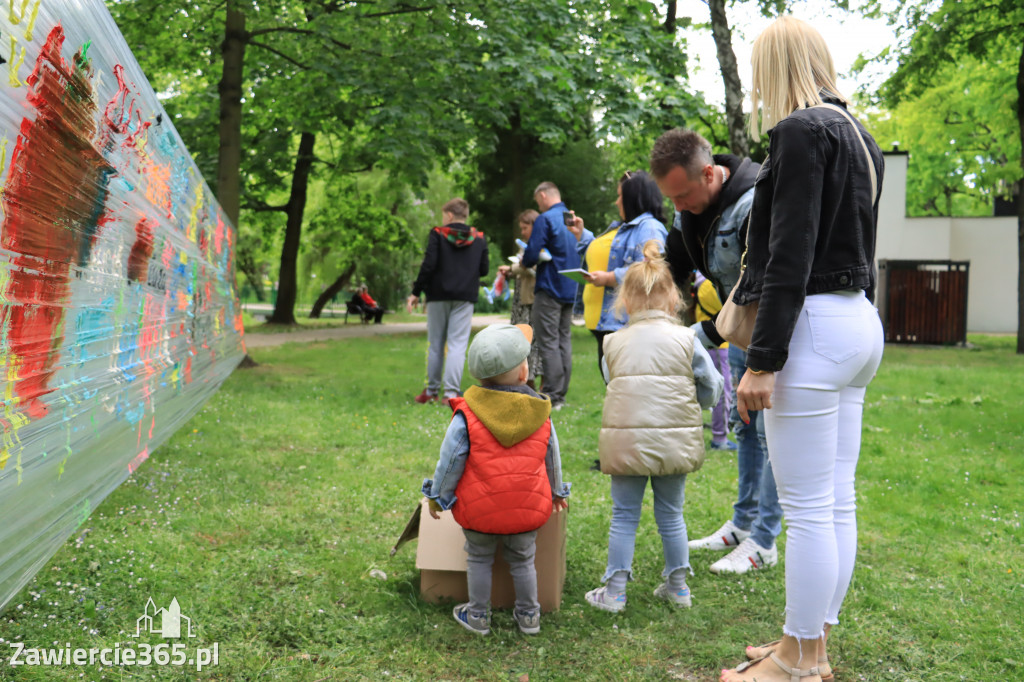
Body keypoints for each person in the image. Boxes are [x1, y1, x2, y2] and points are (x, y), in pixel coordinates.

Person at [717, 17, 884, 682]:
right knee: (835, 500)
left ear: (774, 67)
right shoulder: (857, 132)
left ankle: (796, 659)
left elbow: (789, 251)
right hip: (856, 321)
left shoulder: (800, 132)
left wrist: (763, 359)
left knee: (810, 507)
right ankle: (811, 648)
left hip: (812, 326)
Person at [650, 127, 783, 576]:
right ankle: (743, 525)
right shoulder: (687, 205)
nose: (680, 207)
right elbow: (672, 264)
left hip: (769, 334)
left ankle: (765, 540)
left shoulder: (755, 203)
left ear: (709, 173)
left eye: (684, 196)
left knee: (771, 436)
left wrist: (701, 336)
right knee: (746, 429)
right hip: (741, 331)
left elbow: (759, 288)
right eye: (673, 200)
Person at [584, 241, 723, 613]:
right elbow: (711, 386)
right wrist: (697, 404)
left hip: (626, 440)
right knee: (671, 513)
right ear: (672, 300)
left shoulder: (611, 343)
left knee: (624, 515)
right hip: (674, 442)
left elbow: (612, 380)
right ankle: (678, 587)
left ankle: (614, 592)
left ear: (624, 302)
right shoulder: (688, 339)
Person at [422, 323, 571, 636]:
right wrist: (557, 492)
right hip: (528, 510)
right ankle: (529, 617)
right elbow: (552, 459)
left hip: (478, 511)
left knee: (478, 558)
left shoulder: (467, 414)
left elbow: (450, 462)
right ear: (522, 373)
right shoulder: (540, 412)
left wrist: (438, 497)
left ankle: (478, 616)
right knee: (523, 560)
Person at [567, 170, 668, 374]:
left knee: (625, 386)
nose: (616, 202)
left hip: (623, 324)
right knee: (615, 385)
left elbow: (651, 269)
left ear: (633, 198)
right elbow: (604, 255)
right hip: (607, 324)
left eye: (620, 195)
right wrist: (582, 235)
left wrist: (610, 278)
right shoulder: (624, 227)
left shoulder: (649, 228)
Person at [406, 198, 489, 406]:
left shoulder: (437, 234)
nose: (442, 220)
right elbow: (484, 269)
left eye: (444, 215)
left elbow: (428, 265)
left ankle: (431, 390)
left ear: (450, 215)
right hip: (464, 298)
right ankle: (451, 394)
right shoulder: (479, 238)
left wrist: (416, 292)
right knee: (457, 345)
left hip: (438, 296)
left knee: (435, 344)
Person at [521, 182, 593, 410]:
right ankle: (561, 393)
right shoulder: (571, 219)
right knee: (564, 340)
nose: (538, 205)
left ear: (543, 196)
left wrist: (525, 261)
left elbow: (532, 253)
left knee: (549, 341)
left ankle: (552, 394)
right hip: (571, 287)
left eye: (537, 201)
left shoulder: (545, 219)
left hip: (550, 286)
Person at [497, 209, 542, 387]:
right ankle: (521, 378)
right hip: (522, 300)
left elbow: (531, 267)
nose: (522, 232)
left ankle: (531, 381)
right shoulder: (526, 245)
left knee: (530, 340)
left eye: (525, 228)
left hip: (531, 300)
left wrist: (512, 268)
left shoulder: (540, 244)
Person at [693, 272, 736, 450]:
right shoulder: (709, 285)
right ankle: (720, 438)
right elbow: (732, 307)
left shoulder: (701, 283)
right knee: (722, 391)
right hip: (717, 344)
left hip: (710, 343)